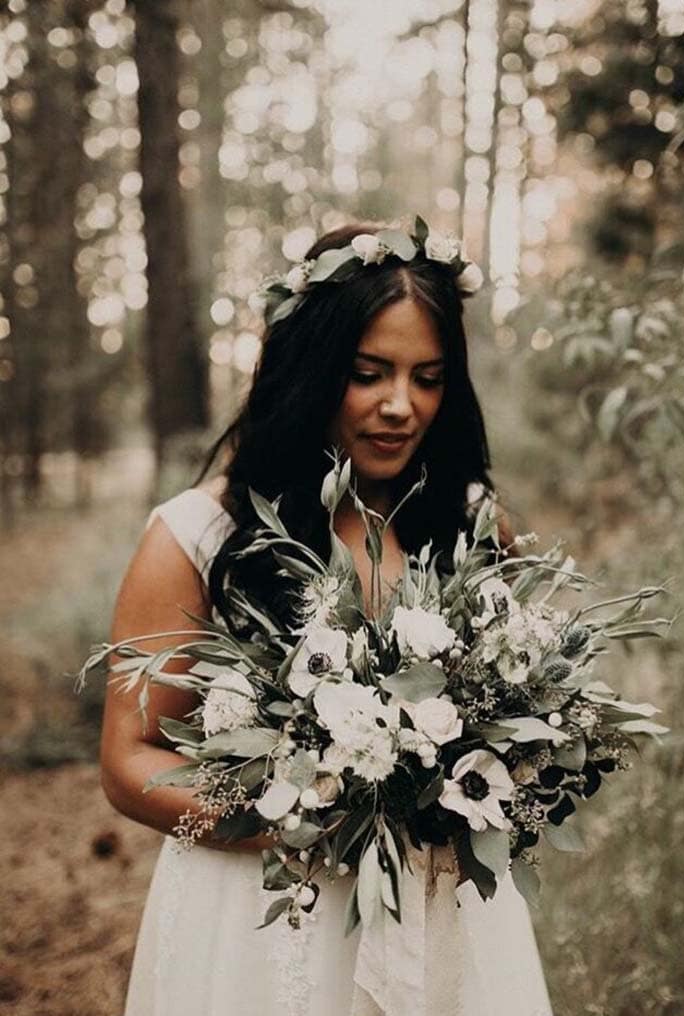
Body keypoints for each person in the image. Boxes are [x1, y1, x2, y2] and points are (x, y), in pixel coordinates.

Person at [101, 220, 554, 1016]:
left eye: (428, 377)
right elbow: (128, 760)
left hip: (441, 912)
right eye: (368, 372)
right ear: (311, 370)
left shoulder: (476, 524)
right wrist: (284, 816)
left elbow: (517, 718)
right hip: (261, 920)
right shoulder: (200, 536)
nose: (399, 406)